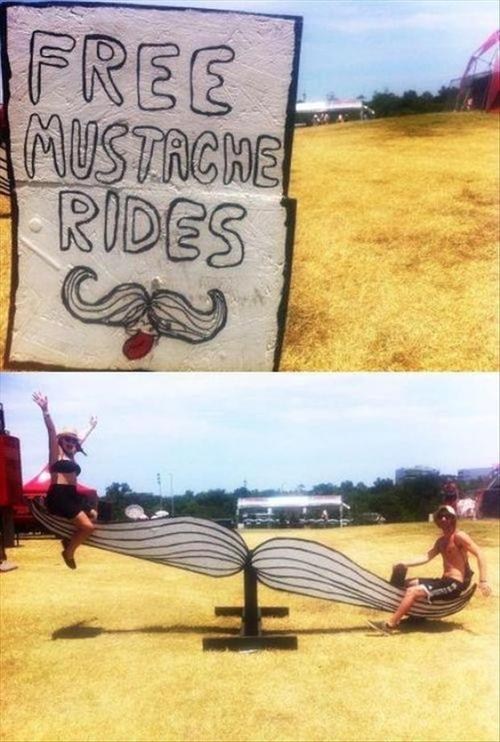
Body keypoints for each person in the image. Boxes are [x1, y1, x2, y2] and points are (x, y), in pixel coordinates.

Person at [368, 505, 491, 634]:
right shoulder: (441, 541)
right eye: (440, 516)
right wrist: (403, 563)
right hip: (444, 581)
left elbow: (480, 553)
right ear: (437, 520)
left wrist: (483, 581)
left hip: (454, 584)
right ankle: (417, 616)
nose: (443, 519)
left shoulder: (459, 536)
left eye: (447, 516)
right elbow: (426, 557)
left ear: (453, 518)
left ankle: (389, 625)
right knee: (408, 583)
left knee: (413, 591)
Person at [33, 392, 97, 569]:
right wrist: (45, 411)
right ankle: (68, 552)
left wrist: (91, 427)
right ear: (60, 440)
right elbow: (51, 431)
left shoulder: (72, 453)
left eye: (73, 441)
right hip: (59, 496)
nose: (71, 442)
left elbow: (81, 438)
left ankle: (70, 537)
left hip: (72, 496)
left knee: (94, 514)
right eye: (67, 439)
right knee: (89, 527)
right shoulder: (56, 454)